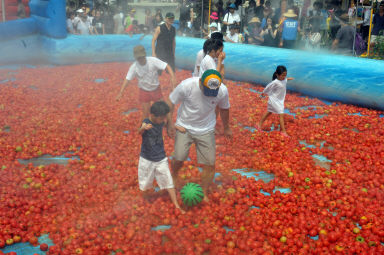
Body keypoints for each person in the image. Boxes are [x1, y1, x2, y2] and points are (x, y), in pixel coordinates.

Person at [166, 69, 232, 202]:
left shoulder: (222, 91)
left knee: (210, 163)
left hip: (206, 129)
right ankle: (174, 175)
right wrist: (169, 124)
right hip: (185, 126)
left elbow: (224, 109)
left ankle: (204, 191)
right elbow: (170, 102)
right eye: (206, 90)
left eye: (212, 92)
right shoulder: (187, 86)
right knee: (179, 158)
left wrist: (227, 127)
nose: (209, 95)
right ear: (201, 81)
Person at [137, 101, 185, 214]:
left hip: (160, 158)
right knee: (145, 183)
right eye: (162, 118)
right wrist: (143, 128)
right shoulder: (146, 122)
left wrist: (178, 127)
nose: (163, 120)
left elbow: (167, 124)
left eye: (164, 117)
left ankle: (176, 205)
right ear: (153, 115)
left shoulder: (160, 122)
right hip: (146, 158)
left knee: (168, 181)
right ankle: (144, 202)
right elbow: (139, 132)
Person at [116, 45, 176, 119]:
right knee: (145, 113)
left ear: (144, 55)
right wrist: (121, 92)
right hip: (144, 91)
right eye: (138, 58)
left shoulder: (153, 61)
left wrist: (172, 77)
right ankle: (145, 127)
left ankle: (167, 123)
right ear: (136, 58)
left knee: (162, 110)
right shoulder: (134, 67)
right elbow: (127, 79)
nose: (140, 59)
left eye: (142, 57)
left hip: (155, 89)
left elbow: (167, 66)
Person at [257, 65, 294, 137]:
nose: (284, 77)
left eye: (285, 75)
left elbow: (286, 80)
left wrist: (289, 78)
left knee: (269, 112)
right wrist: (262, 94)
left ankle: (259, 125)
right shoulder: (275, 82)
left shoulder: (284, 80)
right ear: (277, 74)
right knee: (281, 114)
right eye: (283, 75)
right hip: (274, 100)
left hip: (279, 100)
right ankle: (283, 131)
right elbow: (268, 87)